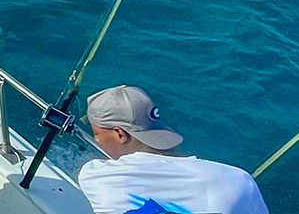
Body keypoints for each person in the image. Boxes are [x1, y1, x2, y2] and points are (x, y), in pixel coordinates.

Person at [77, 85, 270, 214]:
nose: (97, 141)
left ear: (120, 134)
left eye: (96, 133)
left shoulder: (97, 177)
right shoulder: (240, 180)